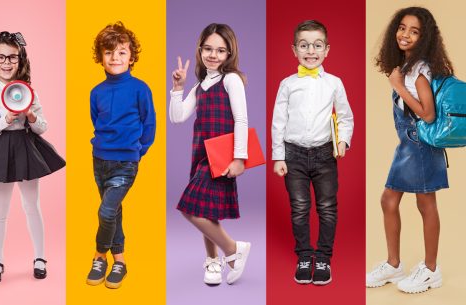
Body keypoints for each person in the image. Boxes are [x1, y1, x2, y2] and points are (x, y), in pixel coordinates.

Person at [366, 7, 452, 294]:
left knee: (425, 204)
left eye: (414, 31)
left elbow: (427, 115)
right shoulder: (407, 66)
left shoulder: (419, 71)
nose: (405, 35)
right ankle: (394, 264)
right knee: (389, 200)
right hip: (408, 145)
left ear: (424, 38)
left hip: (421, 145)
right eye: (402, 28)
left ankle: (430, 270)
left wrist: (400, 87)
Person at [0, 31, 65, 284]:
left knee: (31, 205)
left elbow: (42, 126)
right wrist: (6, 119)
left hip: (25, 146)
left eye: (12, 57)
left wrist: (31, 116)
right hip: (1, 148)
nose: (6, 63)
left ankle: (39, 257)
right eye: (0, 57)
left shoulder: (29, 92)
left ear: (20, 60)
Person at [271, 20, 354, 285]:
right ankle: (305, 255)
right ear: (294, 49)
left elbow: (345, 117)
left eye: (317, 45)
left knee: (327, 207)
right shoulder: (287, 84)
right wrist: (278, 156)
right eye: (304, 45)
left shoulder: (334, 83)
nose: (311, 50)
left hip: (324, 155)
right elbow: (278, 122)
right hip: (293, 155)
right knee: (299, 208)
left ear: (327, 50)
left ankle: (324, 257)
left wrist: (343, 141)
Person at [170, 23, 251, 285]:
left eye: (220, 50)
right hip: (201, 155)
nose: (213, 55)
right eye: (208, 49)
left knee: (190, 208)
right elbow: (178, 117)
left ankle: (232, 250)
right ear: (200, 50)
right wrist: (178, 88)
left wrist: (240, 158)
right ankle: (213, 262)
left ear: (229, 54)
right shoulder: (200, 85)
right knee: (206, 209)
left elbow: (241, 119)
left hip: (222, 156)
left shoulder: (231, 79)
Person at [85, 21, 156, 289]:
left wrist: (138, 151)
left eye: (122, 52)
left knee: (106, 211)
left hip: (126, 162)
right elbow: (97, 121)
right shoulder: (96, 92)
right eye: (109, 52)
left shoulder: (140, 89)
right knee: (114, 213)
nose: (115, 57)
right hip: (99, 160)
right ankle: (121, 262)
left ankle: (98, 256)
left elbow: (149, 125)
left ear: (132, 57)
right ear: (101, 57)